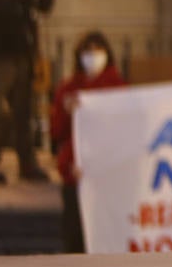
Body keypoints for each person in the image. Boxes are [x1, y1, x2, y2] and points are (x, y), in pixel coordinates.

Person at [49, 31, 127, 253]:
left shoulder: (119, 89)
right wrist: (64, 111)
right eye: (87, 51)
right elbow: (57, 133)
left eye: (97, 51)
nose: (92, 56)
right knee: (75, 240)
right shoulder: (68, 89)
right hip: (76, 177)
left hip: (108, 179)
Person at [0, 0, 52, 182]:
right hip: (1, 57)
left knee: (23, 112)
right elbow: (3, 10)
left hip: (23, 56)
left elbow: (42, 7)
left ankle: (27, 163)